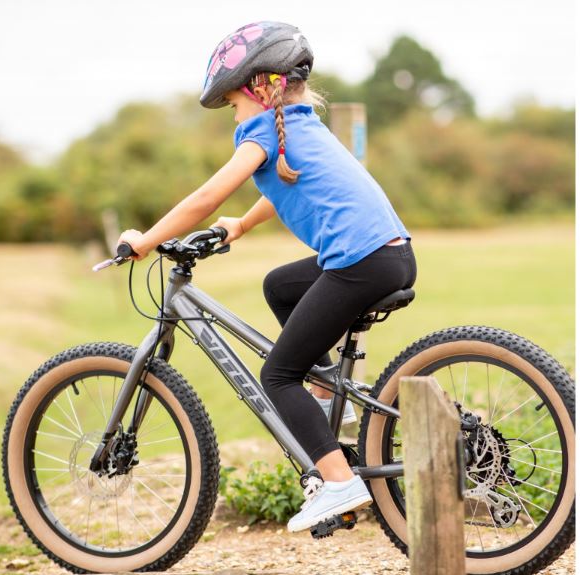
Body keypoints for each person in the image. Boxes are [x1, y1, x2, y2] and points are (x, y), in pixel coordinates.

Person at [117, 21, 417, 533]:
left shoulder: (262, 130)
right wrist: (240, 225)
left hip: (359, 262)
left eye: (233, 104)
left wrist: (144, 240)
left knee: (277, 376)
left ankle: (339, 482)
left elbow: (206, 197)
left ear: (259, 89)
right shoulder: (301, 126)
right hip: (388, 255)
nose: (235, 114)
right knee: (280, 285)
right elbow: (283, 186)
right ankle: (328, 402)